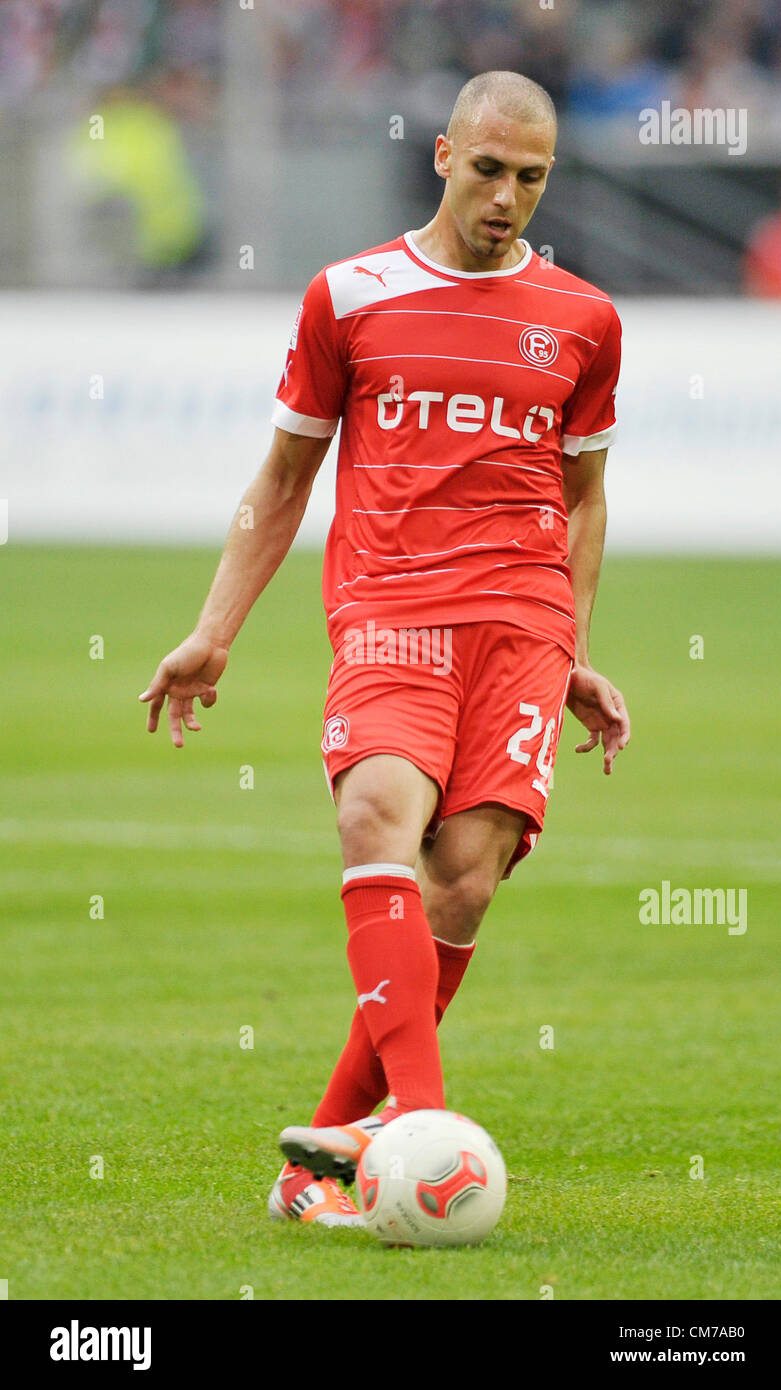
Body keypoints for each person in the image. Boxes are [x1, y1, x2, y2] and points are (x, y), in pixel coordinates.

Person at [139, 70, 631, 1229]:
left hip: (521, 624)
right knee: (376, 819)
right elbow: (285, 476)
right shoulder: (348, 296)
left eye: (532, 177)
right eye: (490, 168)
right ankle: (421, 1122)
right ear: (445, 154)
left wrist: (571, 648)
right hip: (389, 610)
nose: (507, 196)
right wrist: (214, 632)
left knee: (462, 876)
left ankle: (317, 1166)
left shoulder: (584, 319)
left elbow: (587, 496)